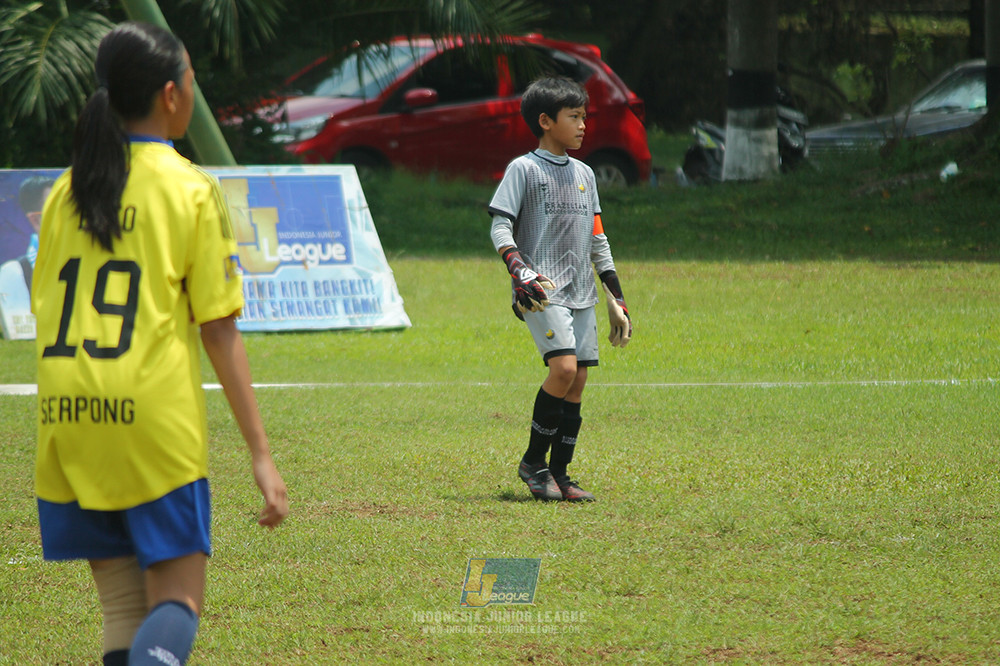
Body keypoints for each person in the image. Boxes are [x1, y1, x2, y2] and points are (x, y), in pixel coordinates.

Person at [31, 21, 288, 666]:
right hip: (148, 421)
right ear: (171, 96)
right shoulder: (189, 187)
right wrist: (260, 454)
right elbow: (219, 330)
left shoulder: (65, 190)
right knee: (177, 605)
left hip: (68, 416)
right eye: (193, 81)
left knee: (122, 609)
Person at [488, 76, 633, 503]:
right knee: (564, 369)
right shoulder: (524, 169)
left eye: (584, 117)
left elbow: (597, 240)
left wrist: (616, 299)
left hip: (583, 292)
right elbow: (499, 223)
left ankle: (560, 475)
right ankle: (533, 463)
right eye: (574, 117)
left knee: (578, 379)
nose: (583, 125)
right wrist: (519, 270)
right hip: (541, 291)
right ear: (546, 121)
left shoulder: (586, 174)